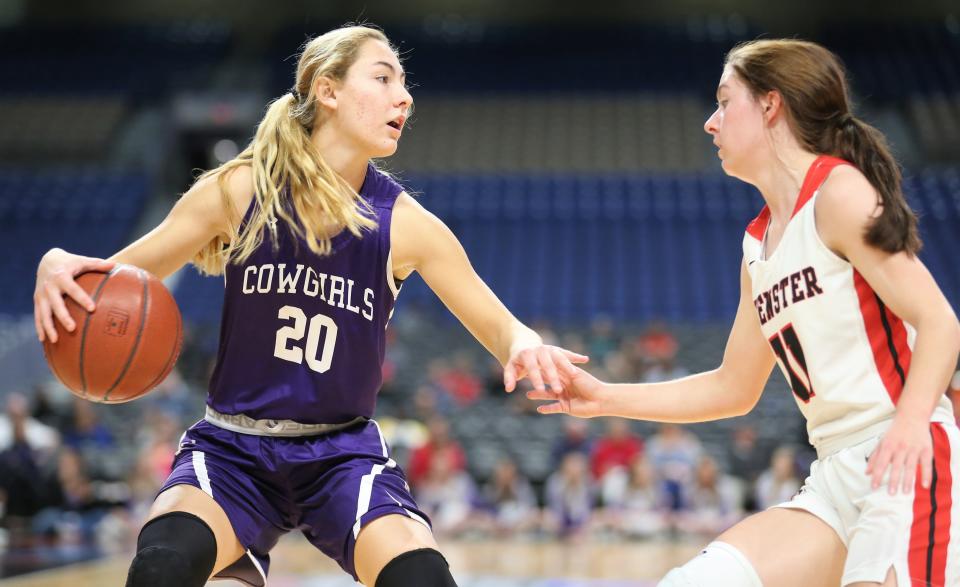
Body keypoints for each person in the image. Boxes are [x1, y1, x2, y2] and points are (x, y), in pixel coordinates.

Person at [33, 25, 586, 587]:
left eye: (404, 83)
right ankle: (235, 554)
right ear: (328, 90)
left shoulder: (405, 224)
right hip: (233, 450)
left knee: (422, 579)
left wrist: (526, 347)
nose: (405, 96)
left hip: (340, 455)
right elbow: (112, 280)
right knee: (161, 567)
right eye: (383, 77)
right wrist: (55, 260)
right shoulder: (241, 189)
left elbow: (501, 327)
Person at [529, 39, 960, 587]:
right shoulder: (757, 244)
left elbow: (941, 322)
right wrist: (604, 397)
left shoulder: (838, 193)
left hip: (907, 459)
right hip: (833, 473)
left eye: (724, 101)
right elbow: (734, 387)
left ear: (770, 105)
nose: (710, 123)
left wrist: (910, 422)